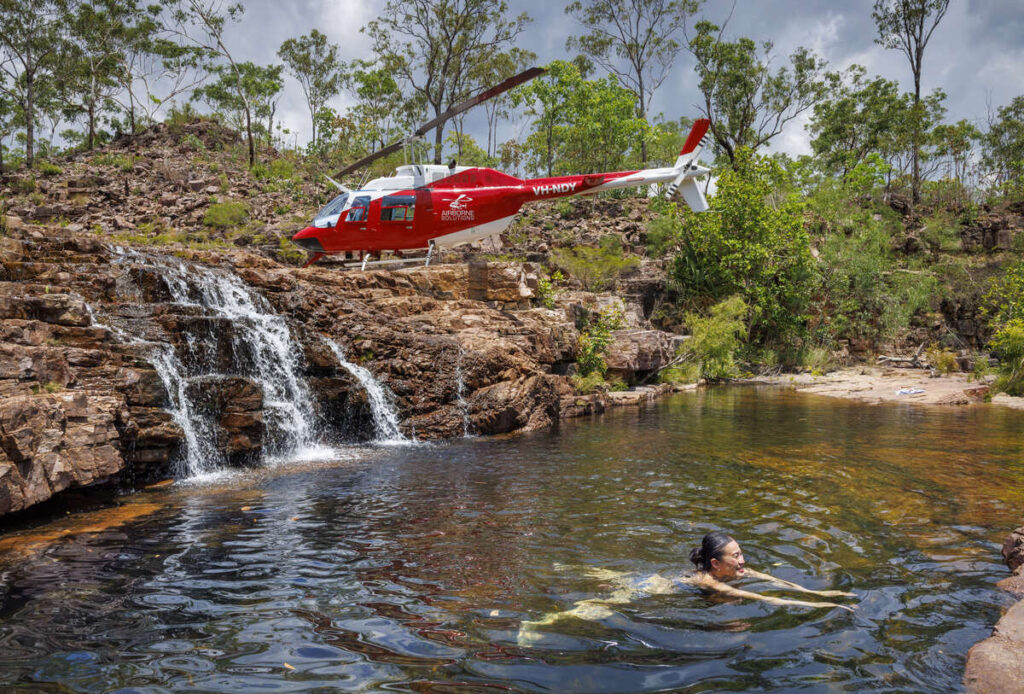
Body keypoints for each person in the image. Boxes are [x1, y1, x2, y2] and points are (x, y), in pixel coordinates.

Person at [517, 532, 855, 644]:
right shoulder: (709, 581)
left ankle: (571, 567)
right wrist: (825, 608)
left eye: (741, 554)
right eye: (735, 556)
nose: (743, 560)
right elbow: (762, 597)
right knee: (601, 603)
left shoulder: (737, 570)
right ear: (715, 564)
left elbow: (777, 583)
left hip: (658, 577)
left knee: (615, 574)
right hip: (651, 589)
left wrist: (825, 594)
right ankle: (539, 623)